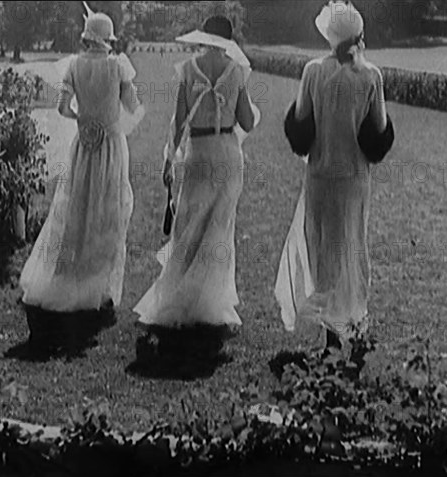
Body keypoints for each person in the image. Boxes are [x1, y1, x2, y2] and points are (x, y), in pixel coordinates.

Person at [274, 1, 391, 353]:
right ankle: (351, 323)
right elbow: (379, 136)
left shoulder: (313, 71)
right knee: (353, 249)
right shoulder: (371, 76)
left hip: (321, 176)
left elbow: (299, 128)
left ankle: (331, 333)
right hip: (354, 178)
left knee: (323, 251)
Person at [133, 16, 259, 332]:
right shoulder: (236, 71)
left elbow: (177, 122)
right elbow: (247, 122)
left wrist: (168, 161)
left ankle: (181, 296)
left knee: (189, 225)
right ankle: (210, 301)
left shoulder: (189, 69)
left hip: (199, 152)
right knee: (219, 228)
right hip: (228, 154)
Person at [19, 4, 143, 313]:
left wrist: (83, 120)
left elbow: (61, 107)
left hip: (83, 146)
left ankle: (71, 276)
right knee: (108, 209)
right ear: (107, 39)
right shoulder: (118, 66)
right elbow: (133, 108)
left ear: (88, 38)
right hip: (112, 146)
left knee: (77, 206)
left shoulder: (73, 64)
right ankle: (98, 285)